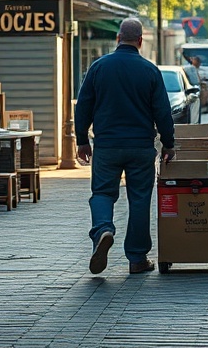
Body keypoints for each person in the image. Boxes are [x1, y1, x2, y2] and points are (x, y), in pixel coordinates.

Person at [75, 18, 175, 276]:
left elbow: (83, 106)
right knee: (140, 199)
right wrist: (168, 143)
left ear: (118, 38)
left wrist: (82, 140)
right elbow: (162, 111)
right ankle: (137, 258)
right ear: (140, 41)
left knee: (102, 193)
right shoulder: (150, 70)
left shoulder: (98, 67)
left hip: (107, 145)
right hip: (140, 147)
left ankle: (103, 229)